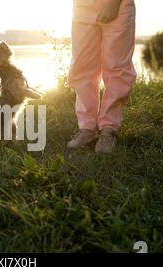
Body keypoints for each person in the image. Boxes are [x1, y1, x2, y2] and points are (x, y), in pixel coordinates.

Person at [67, 0, 137, 154]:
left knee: (117, 67)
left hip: (117, 5)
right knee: (82, 66)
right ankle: (87, 128)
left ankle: (108, 129)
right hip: (82, 6)